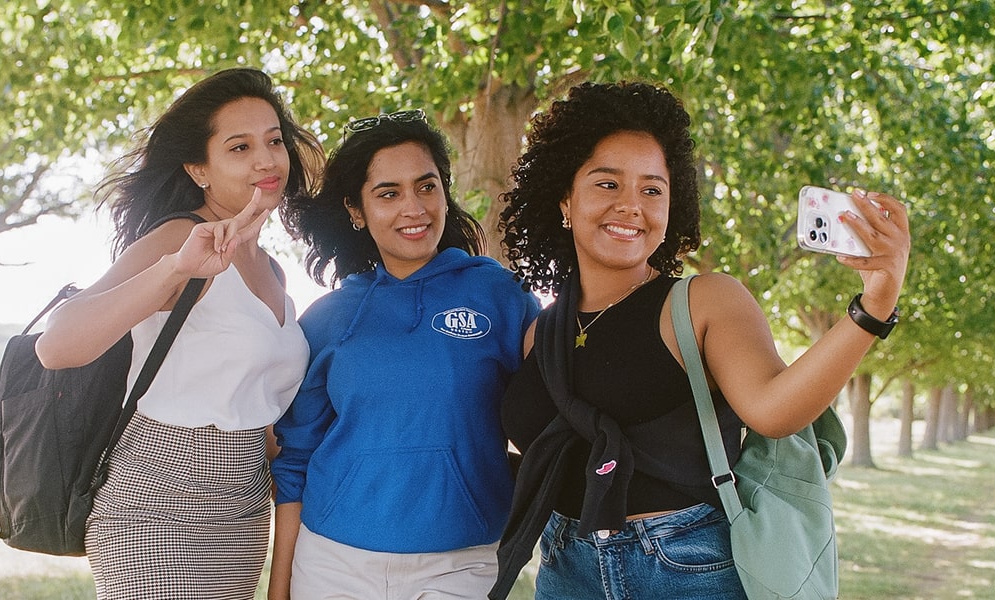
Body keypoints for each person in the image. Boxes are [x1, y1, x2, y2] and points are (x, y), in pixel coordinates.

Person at [487, 82, 910, 599]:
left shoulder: (703, 301)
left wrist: (874, 307)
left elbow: (774, 410)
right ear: (566, 202)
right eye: (606, 184)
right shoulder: (540, 331)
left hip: (684, 568)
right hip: (566, 566)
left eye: (652, 189)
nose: (631, 206)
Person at [33, 67, 323, 599]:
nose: (266, 159)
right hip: (161, 496)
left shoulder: (273, 272)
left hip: (244, 499)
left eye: (274, 140)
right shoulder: (180, 237)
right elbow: (57, 344)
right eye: (239, 147)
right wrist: (176, 268)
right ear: (199, 168)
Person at [270, 110, 540, 599]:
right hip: (333, 562)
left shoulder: (500, 296)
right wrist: (280, 586)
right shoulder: (328, 318)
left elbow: (549, 414)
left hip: (461, 563)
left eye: (426, 186)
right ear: (357, 211)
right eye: (388, 193)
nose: (412, 208)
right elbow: (294, 461)